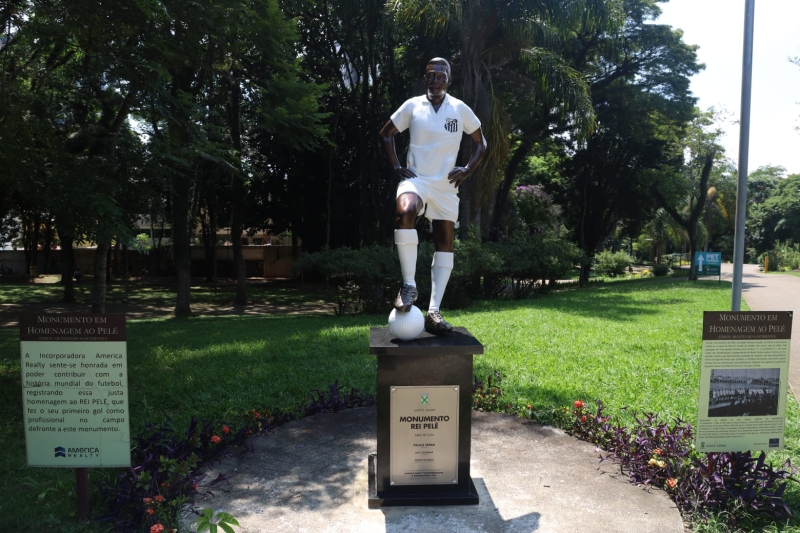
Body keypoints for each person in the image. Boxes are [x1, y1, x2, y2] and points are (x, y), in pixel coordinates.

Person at [379, 57, 487, 335]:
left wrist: (467, 169)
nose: (435, 80)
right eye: (431, 75)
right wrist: (396, 167)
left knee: (445, 244)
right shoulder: (412, 105)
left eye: (441, 76)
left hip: (446, 186)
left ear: (448, 80)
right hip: (416, 180)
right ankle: (409, 285)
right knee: (405, 211)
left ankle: (434, 312)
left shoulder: (460, 109)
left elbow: (480, 143)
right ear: (424, 78)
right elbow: (386, 133)